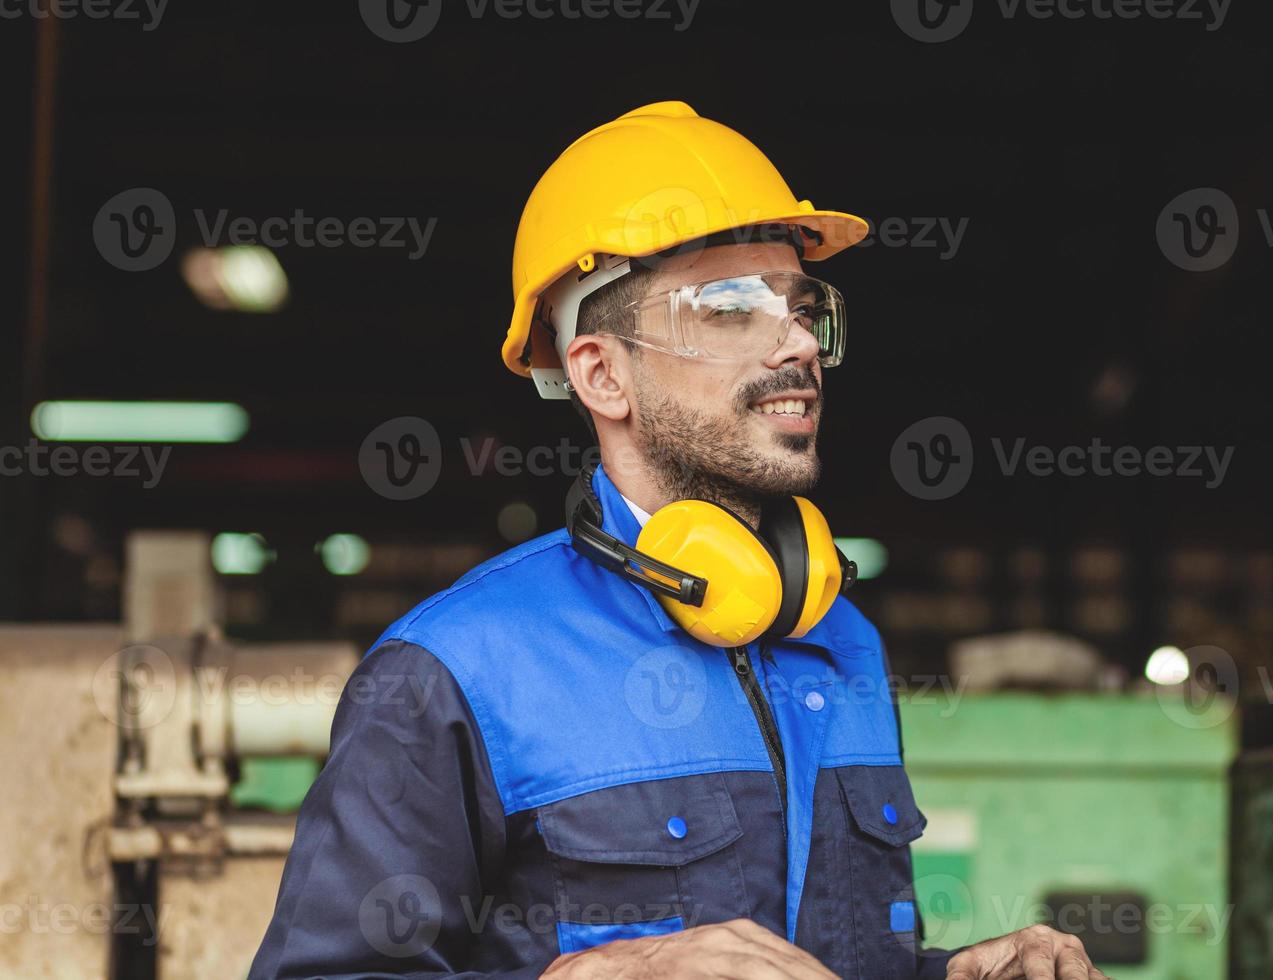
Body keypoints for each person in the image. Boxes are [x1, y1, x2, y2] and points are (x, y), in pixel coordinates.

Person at [249, 101, 1106, 980]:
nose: (799, 341)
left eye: (802, 305)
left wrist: (955, 974)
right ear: (602, 373)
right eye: (731, 307)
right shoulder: (456, 669)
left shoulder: (840, 638)